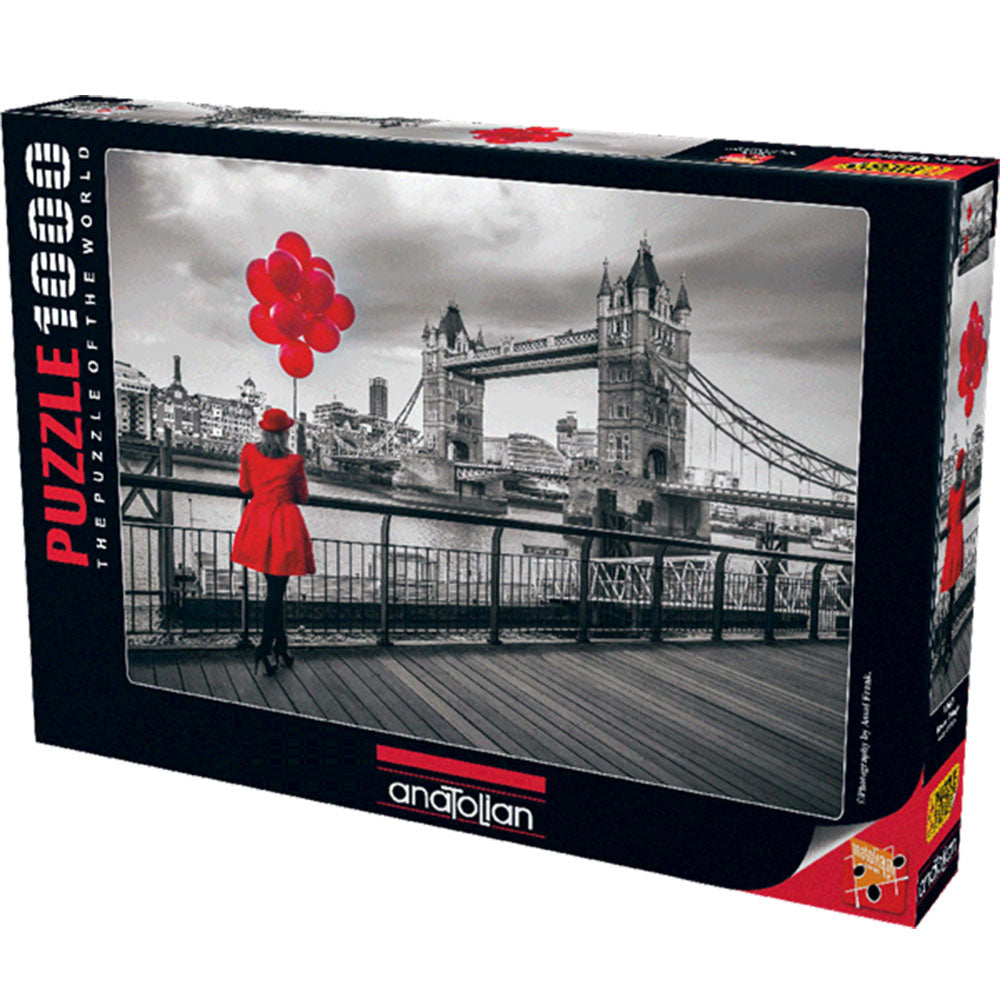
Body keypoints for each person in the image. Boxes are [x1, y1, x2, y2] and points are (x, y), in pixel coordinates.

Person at [231, 408, 315, 676]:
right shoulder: (294, 462)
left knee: (274, 591)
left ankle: (281, 646)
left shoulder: (249, 452)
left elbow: (245, 488)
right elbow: (302, 496)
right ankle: (265, 647)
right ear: (286, 434)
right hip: (284, 527)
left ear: (263, 431)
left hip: (258, 523)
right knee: (276, 592)